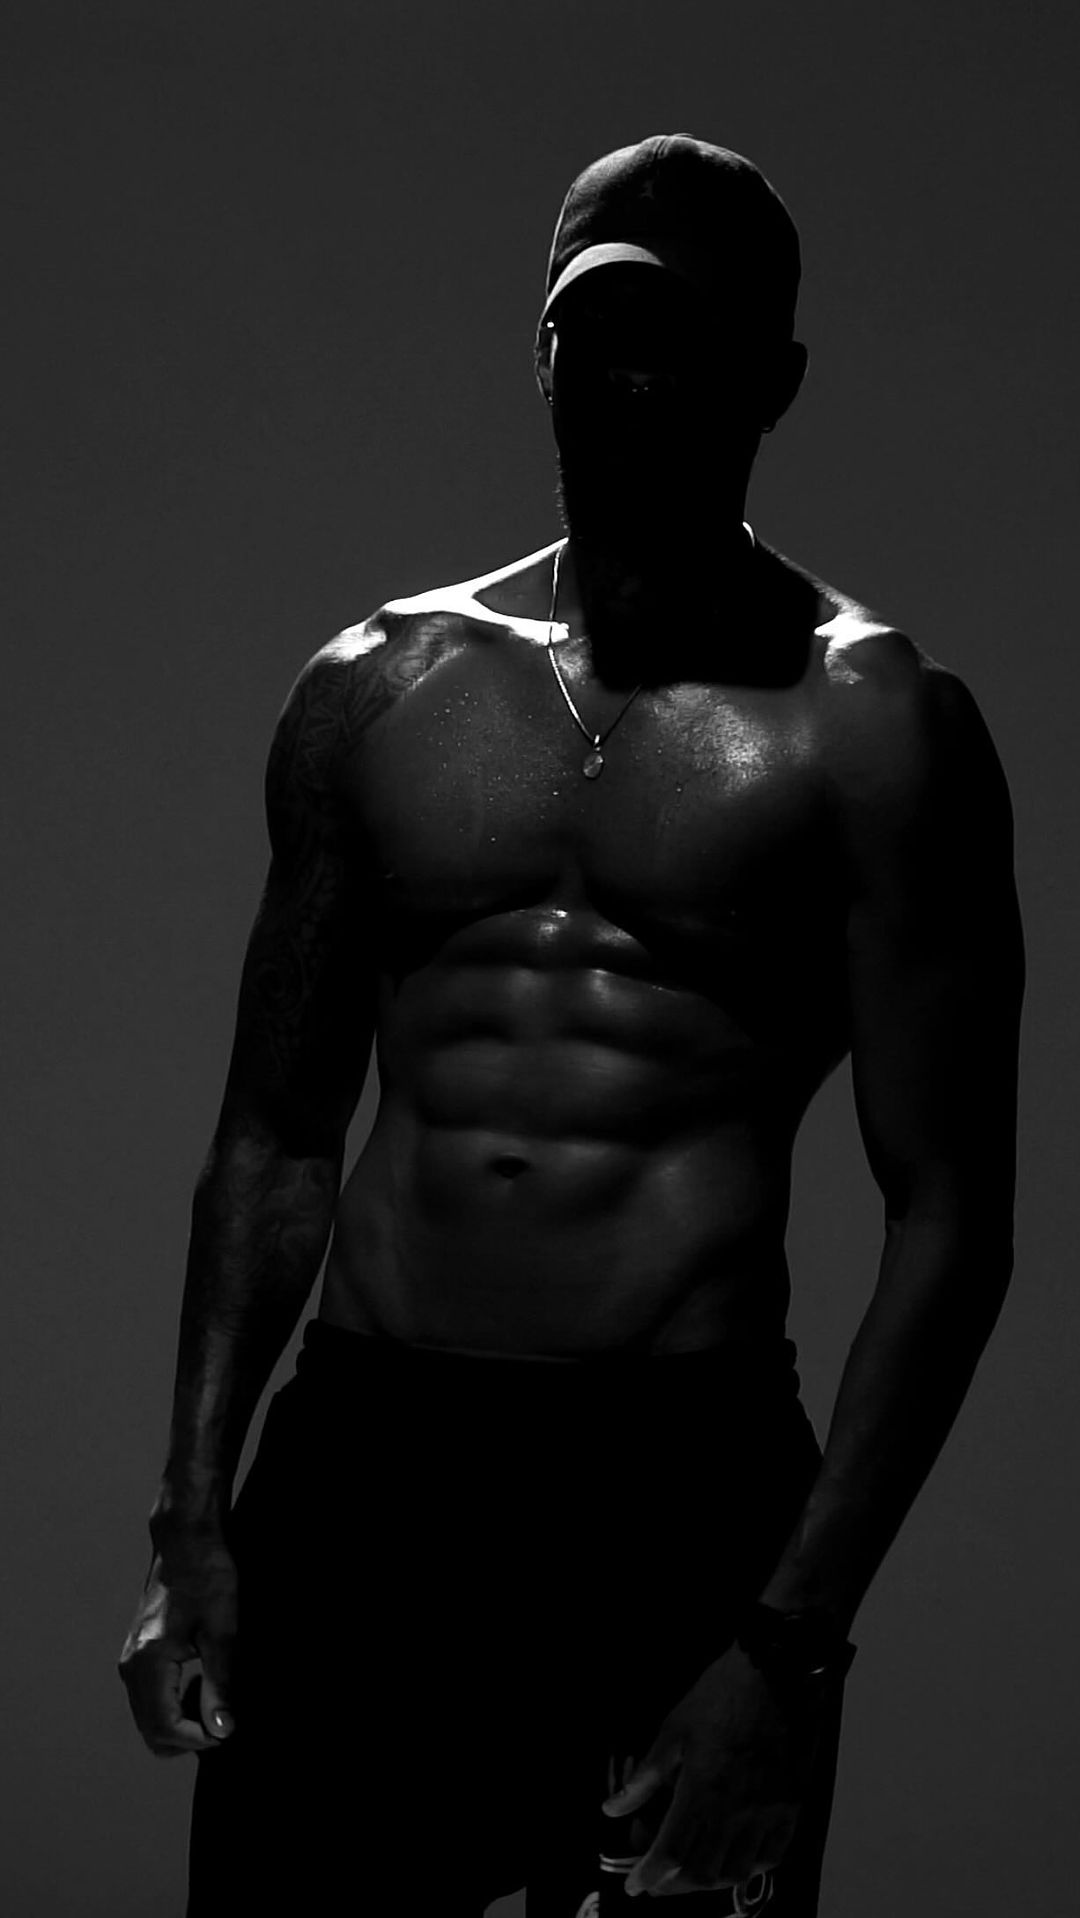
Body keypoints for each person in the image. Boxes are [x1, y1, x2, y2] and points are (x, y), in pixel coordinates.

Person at [117, 134, 1024, 1917]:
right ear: (540, 350)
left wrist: (790, 1641)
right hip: (370, 1471)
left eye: (681, 340)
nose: (629, 377)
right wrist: (193, 1519)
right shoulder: (378, 687)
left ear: (776, 379)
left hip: (673, 1493)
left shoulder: (878, 733)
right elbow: (276, 1138)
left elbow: (951, 1218)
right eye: (595, 333)